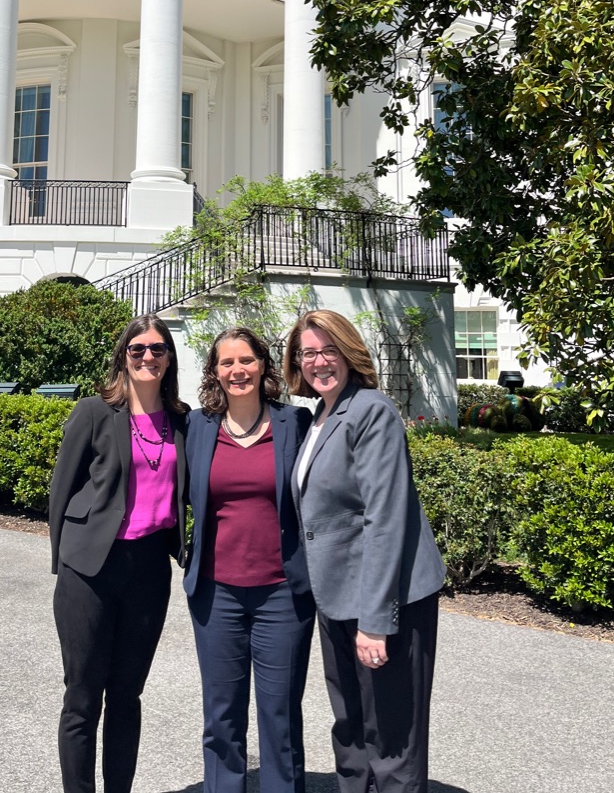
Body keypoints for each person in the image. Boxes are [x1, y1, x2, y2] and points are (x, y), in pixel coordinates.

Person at [284, 310, 445, 793]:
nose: (319, 361)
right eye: (308, 352)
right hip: (336, 597)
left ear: (350, 353)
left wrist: (376, 619)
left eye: (329, 349)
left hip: (385, 600)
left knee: (392, 738)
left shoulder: (371, 409)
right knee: (351, 731)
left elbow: (385, 516)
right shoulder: (319, 416)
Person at [48, 314, 188, 793]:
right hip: (89, 569)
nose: (148, 356)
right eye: (138, 349)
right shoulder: (94, 411)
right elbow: (60, 493)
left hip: (149, 569)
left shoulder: (182, 421)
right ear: (124, 357)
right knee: (83, 698)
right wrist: (64, 563)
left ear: (170, 358)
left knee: (127, 696)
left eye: (158, 349)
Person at [185, 326, 315, 793]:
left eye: (246, 360)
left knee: (279, 714)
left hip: (283, 594)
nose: (237, 370)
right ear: (214, 372)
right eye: (226, 363)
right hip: (215, 594)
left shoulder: (295, 424)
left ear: (263, 366)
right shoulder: (196, 427)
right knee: (221, 716)